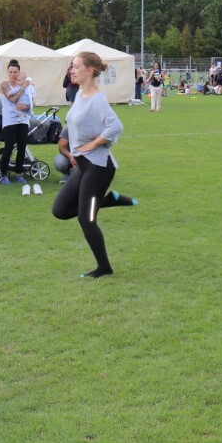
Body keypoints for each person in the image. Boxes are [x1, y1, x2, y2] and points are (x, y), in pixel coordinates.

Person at [51, 51, 136, 278]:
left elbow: (115, 126)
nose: (72, 70)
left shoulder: (97, 99)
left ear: (89, 70)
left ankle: (104, 268)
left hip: (99, 167)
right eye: (72, 66)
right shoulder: (80, 94)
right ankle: (110, 200)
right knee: (60, 210)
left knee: (86, 218)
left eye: (76, 66)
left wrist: (94, 144)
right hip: (83, 166)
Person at [0, 60, 33, 185]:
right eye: (10, 72)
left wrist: (26, 106)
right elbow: (12, 99)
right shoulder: (4, 84)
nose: (13, 74)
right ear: (7, 72)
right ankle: (4, 174)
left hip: (23, 119)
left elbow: (32, 102)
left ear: (19, 72)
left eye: (15, 72)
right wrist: (23, 87)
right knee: (9, 147)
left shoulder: (26, 84)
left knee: (22, 147)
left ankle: (19, 173)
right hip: (10, 121)